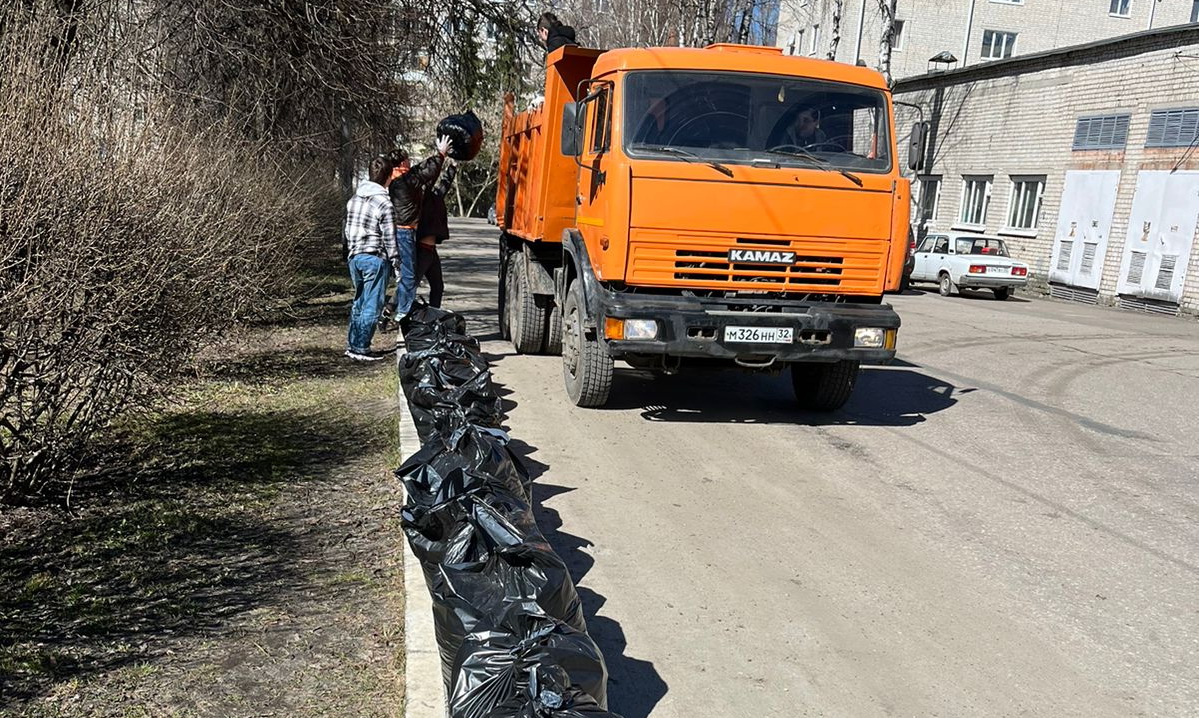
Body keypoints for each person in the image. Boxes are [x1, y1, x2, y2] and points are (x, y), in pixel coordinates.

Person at [342, 153, 400, 361]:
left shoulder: (354, 200)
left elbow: (347, 231)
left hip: (355, 256)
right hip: (374, 257)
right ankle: (361, 347)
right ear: (389, 177)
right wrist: (396, 261)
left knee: (359, 301)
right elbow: (390, 237)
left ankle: (352, 343)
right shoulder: (384, 203)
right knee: (372, 304)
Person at [388, 135, 451, 320]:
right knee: (409, 280)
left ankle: (431, 318)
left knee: (433, 285)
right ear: (402, 163)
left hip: (421, 243)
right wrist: (440, 154)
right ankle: (398, 313)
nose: (410, 164)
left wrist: (449, 166)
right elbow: (425, 173)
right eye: (407, 161)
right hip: (412, 238)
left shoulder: (408, 185)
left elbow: (430, 180)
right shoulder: (403, 182)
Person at [414, 159, 457, 308]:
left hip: (431, 252)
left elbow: (444, 185)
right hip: (421, 250)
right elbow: (430, 183)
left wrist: (453, 167)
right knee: (410, 286)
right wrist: (439, 162)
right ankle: (387, 313)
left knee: (438, 286)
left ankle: (433, 316)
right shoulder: (420, 197)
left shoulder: (435, 197)